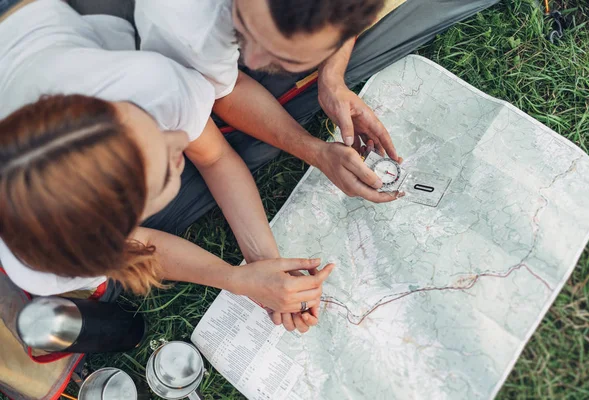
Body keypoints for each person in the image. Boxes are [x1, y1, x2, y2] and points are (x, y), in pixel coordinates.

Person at [0, 0, 332, 333]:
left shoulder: (149, 85)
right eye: (172, 165)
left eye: (147, 122)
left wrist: (266, 265)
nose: (179, 139)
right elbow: (134, 246)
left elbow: (216, 157)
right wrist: (238, 279)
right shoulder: (39, 266)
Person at [133, 0, 499, 230]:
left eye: (287, 58)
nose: (255, 61)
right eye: (246, 27)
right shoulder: (179, 18)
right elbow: (226, 89)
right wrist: (313, 151)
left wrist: (332, 77)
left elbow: (350, 17)